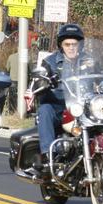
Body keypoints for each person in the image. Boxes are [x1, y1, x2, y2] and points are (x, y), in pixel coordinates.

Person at [33, 23, 84, 165]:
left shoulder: (89, 61)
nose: (71, 47)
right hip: (59, 106)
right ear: (61, 45)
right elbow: (39, 81)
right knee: (45, 110)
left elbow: (101, 77)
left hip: (83, 106)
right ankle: (47, 154)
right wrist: (43, 83)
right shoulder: (50, 62)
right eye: (67, 44)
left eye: (75, 44)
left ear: (80, 45)